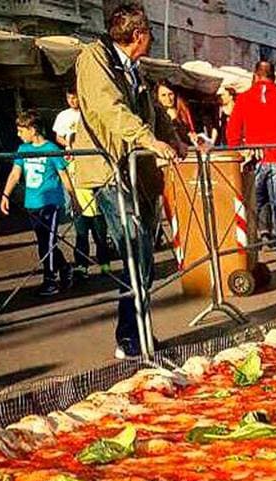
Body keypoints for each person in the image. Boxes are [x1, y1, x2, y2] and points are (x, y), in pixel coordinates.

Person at [73, 2, 179, 359]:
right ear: (138, 35)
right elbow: (109, 107)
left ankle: (141, 330)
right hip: (109, 168)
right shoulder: (94, 58)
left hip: (138, 172)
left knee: (144, 253)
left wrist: (175, 139)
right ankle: (129, 337)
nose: (152, 40)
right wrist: (147, 139)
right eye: (150, 33)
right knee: (135, 247)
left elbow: (154, 112)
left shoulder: (135, 67)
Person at [226, 60, 276, 267]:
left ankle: (251, 253)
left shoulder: (243, 99)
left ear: (255, 75)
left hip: (254, 158)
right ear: (274, 77)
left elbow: (232, 132)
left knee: (252, 207)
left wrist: (239, 151)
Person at [0, 110, 78, 296]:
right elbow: (15, 174)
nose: (19, 134)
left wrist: (73, 199)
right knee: (44, 242)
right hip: (32, 202)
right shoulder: (23, 150)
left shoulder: (51, 148)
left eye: (21, 130)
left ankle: (50, 280)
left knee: (48, 242)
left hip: (50, 202)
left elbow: (63, 175)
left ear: (33, 129)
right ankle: (65, 267)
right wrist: (5, 195)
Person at [52, 87, 112, 278]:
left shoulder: (89, 114)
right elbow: (66, 174)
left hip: (96, 195)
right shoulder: (64, 119)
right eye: (70, 98)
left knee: (100, 234)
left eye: (76, 98)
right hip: (78, 196)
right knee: (81, 234)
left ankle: (105, 264)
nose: (73, 101)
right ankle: (82, 266)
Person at [155, 82, 197, 149]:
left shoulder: (183, 111)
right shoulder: (155, 115)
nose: (168, 99)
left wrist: (192, 136)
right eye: (163, 95)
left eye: (170, 94)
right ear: (158, 97)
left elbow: (188, 134)